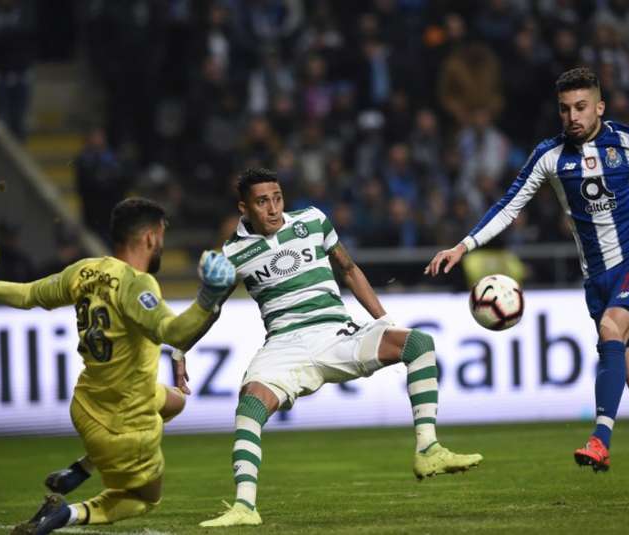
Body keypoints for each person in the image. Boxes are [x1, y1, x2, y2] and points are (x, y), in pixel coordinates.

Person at [426, 67, 629, 498]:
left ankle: (600, 440)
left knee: (610, 330)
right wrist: (463, 246)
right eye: (565, 109)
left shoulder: (628, 141)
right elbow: (509, 205)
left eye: (581, 107)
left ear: (599, 107)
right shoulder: (549, 156)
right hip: (598, 282)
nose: (572, 116)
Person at [198, 168, 483, 527]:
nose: (273, 208)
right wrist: (179, 351)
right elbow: (208, 311)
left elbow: (348, 268)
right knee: (250, 405)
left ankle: (427, 448)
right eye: (261, 202)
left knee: (418, 343)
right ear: (244, 208)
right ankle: (245, 507)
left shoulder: (313, 220)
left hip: (336, 333)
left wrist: (384, 321)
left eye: (277, 198)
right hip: (284, 345)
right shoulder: (233, 254)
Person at [0, 198, 236, 534]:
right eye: (161, 236)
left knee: (174, 400)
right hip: (123, 424)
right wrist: (208, 297)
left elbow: (28, 294)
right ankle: (65, 515)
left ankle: (82, 469)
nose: (162, 243)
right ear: (150, 237)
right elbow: (172, 331)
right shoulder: (138, 285)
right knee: (144, 499)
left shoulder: (85, 270)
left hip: (87, 405)